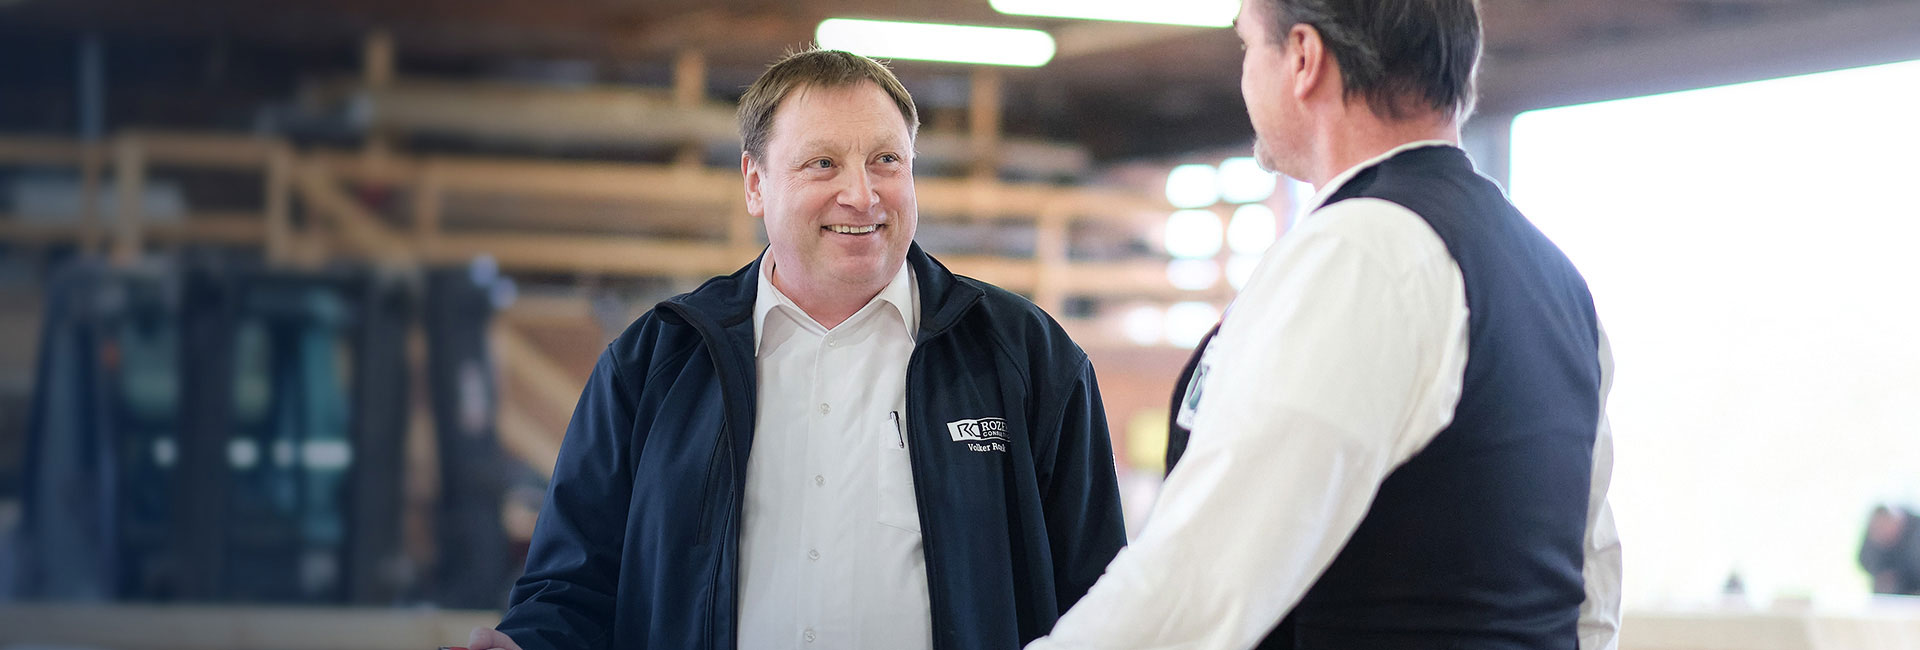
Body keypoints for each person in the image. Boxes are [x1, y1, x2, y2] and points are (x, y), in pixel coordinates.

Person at [462, 49, 1126, 650]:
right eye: (822, 163)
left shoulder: (1027, 357)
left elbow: (1103, 600)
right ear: (755, 184)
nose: (862, 194)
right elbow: (572, 589)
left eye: (886, 160)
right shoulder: (656, 364)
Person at [1029, 1, 1622, 649]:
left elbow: (1199, 580)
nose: (1245, 74)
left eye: (1249, 47)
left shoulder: (1362, 250)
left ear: (1304, 59)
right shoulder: (1556, 279)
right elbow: (1590, 583)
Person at [1860, 504, 1920, 595]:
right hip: (1888, 595)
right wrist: (1883, 575)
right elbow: (1863, 558)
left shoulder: (1916, 532)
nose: (1882, 534)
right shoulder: (1876, 532)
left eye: (1885, 528)